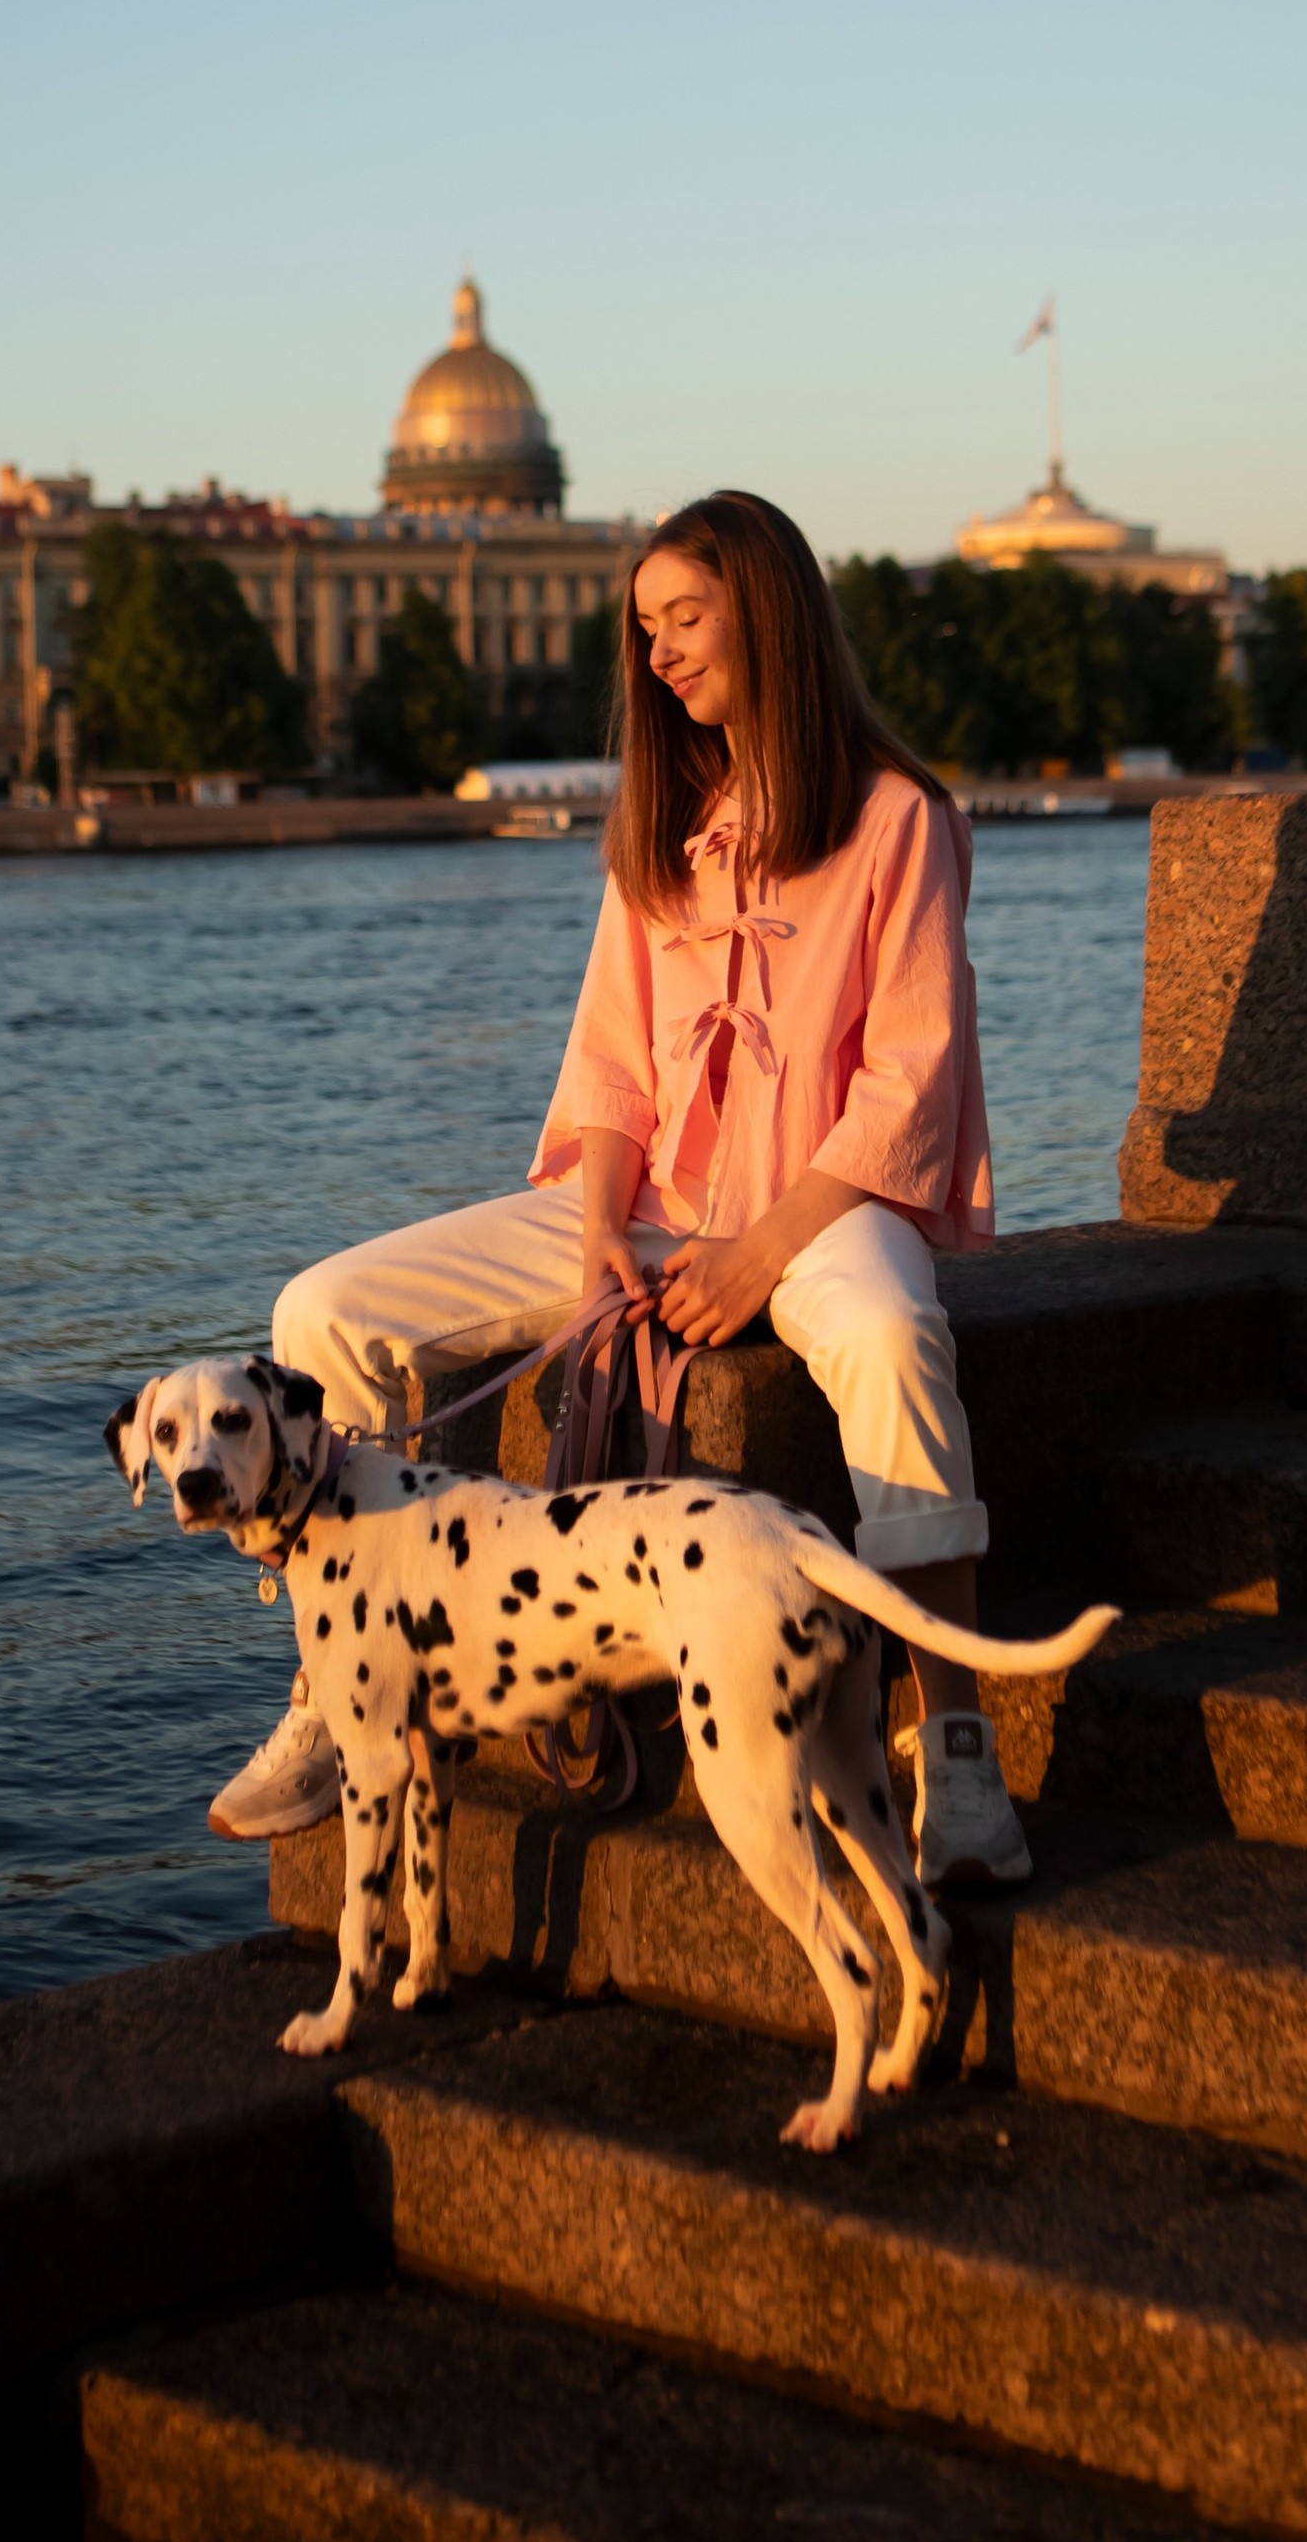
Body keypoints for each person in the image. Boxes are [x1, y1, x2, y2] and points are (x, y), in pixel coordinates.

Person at [210, 487, 1029, 1887]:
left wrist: (757, 1254)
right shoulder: (662, 819)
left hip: (828, 1203)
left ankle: (954, 1746)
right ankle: (339, 1690)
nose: (657, 653)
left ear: (766, 612)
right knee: (323, 1314)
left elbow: (911, 1079)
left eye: (685, 617)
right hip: (646, 1201)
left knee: (895, 1341)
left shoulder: (899, 817)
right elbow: (609, 1066)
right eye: (646, 628)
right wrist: (598, 1234)